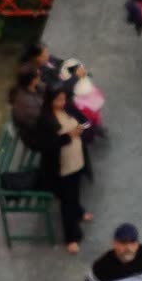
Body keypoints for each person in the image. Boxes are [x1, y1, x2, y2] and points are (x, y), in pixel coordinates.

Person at [37, 86, 92, 254]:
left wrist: (81, 128)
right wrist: (68, 136)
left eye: (63, 98)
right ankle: (71, 237)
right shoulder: (46, 119)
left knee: (74, 191)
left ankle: (78, 211)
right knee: (67, 201)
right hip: (62, 166)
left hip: (76, 160)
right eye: (58, 100)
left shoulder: (67, 107)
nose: (62, 103)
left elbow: (85, 121)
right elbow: (47, 145)